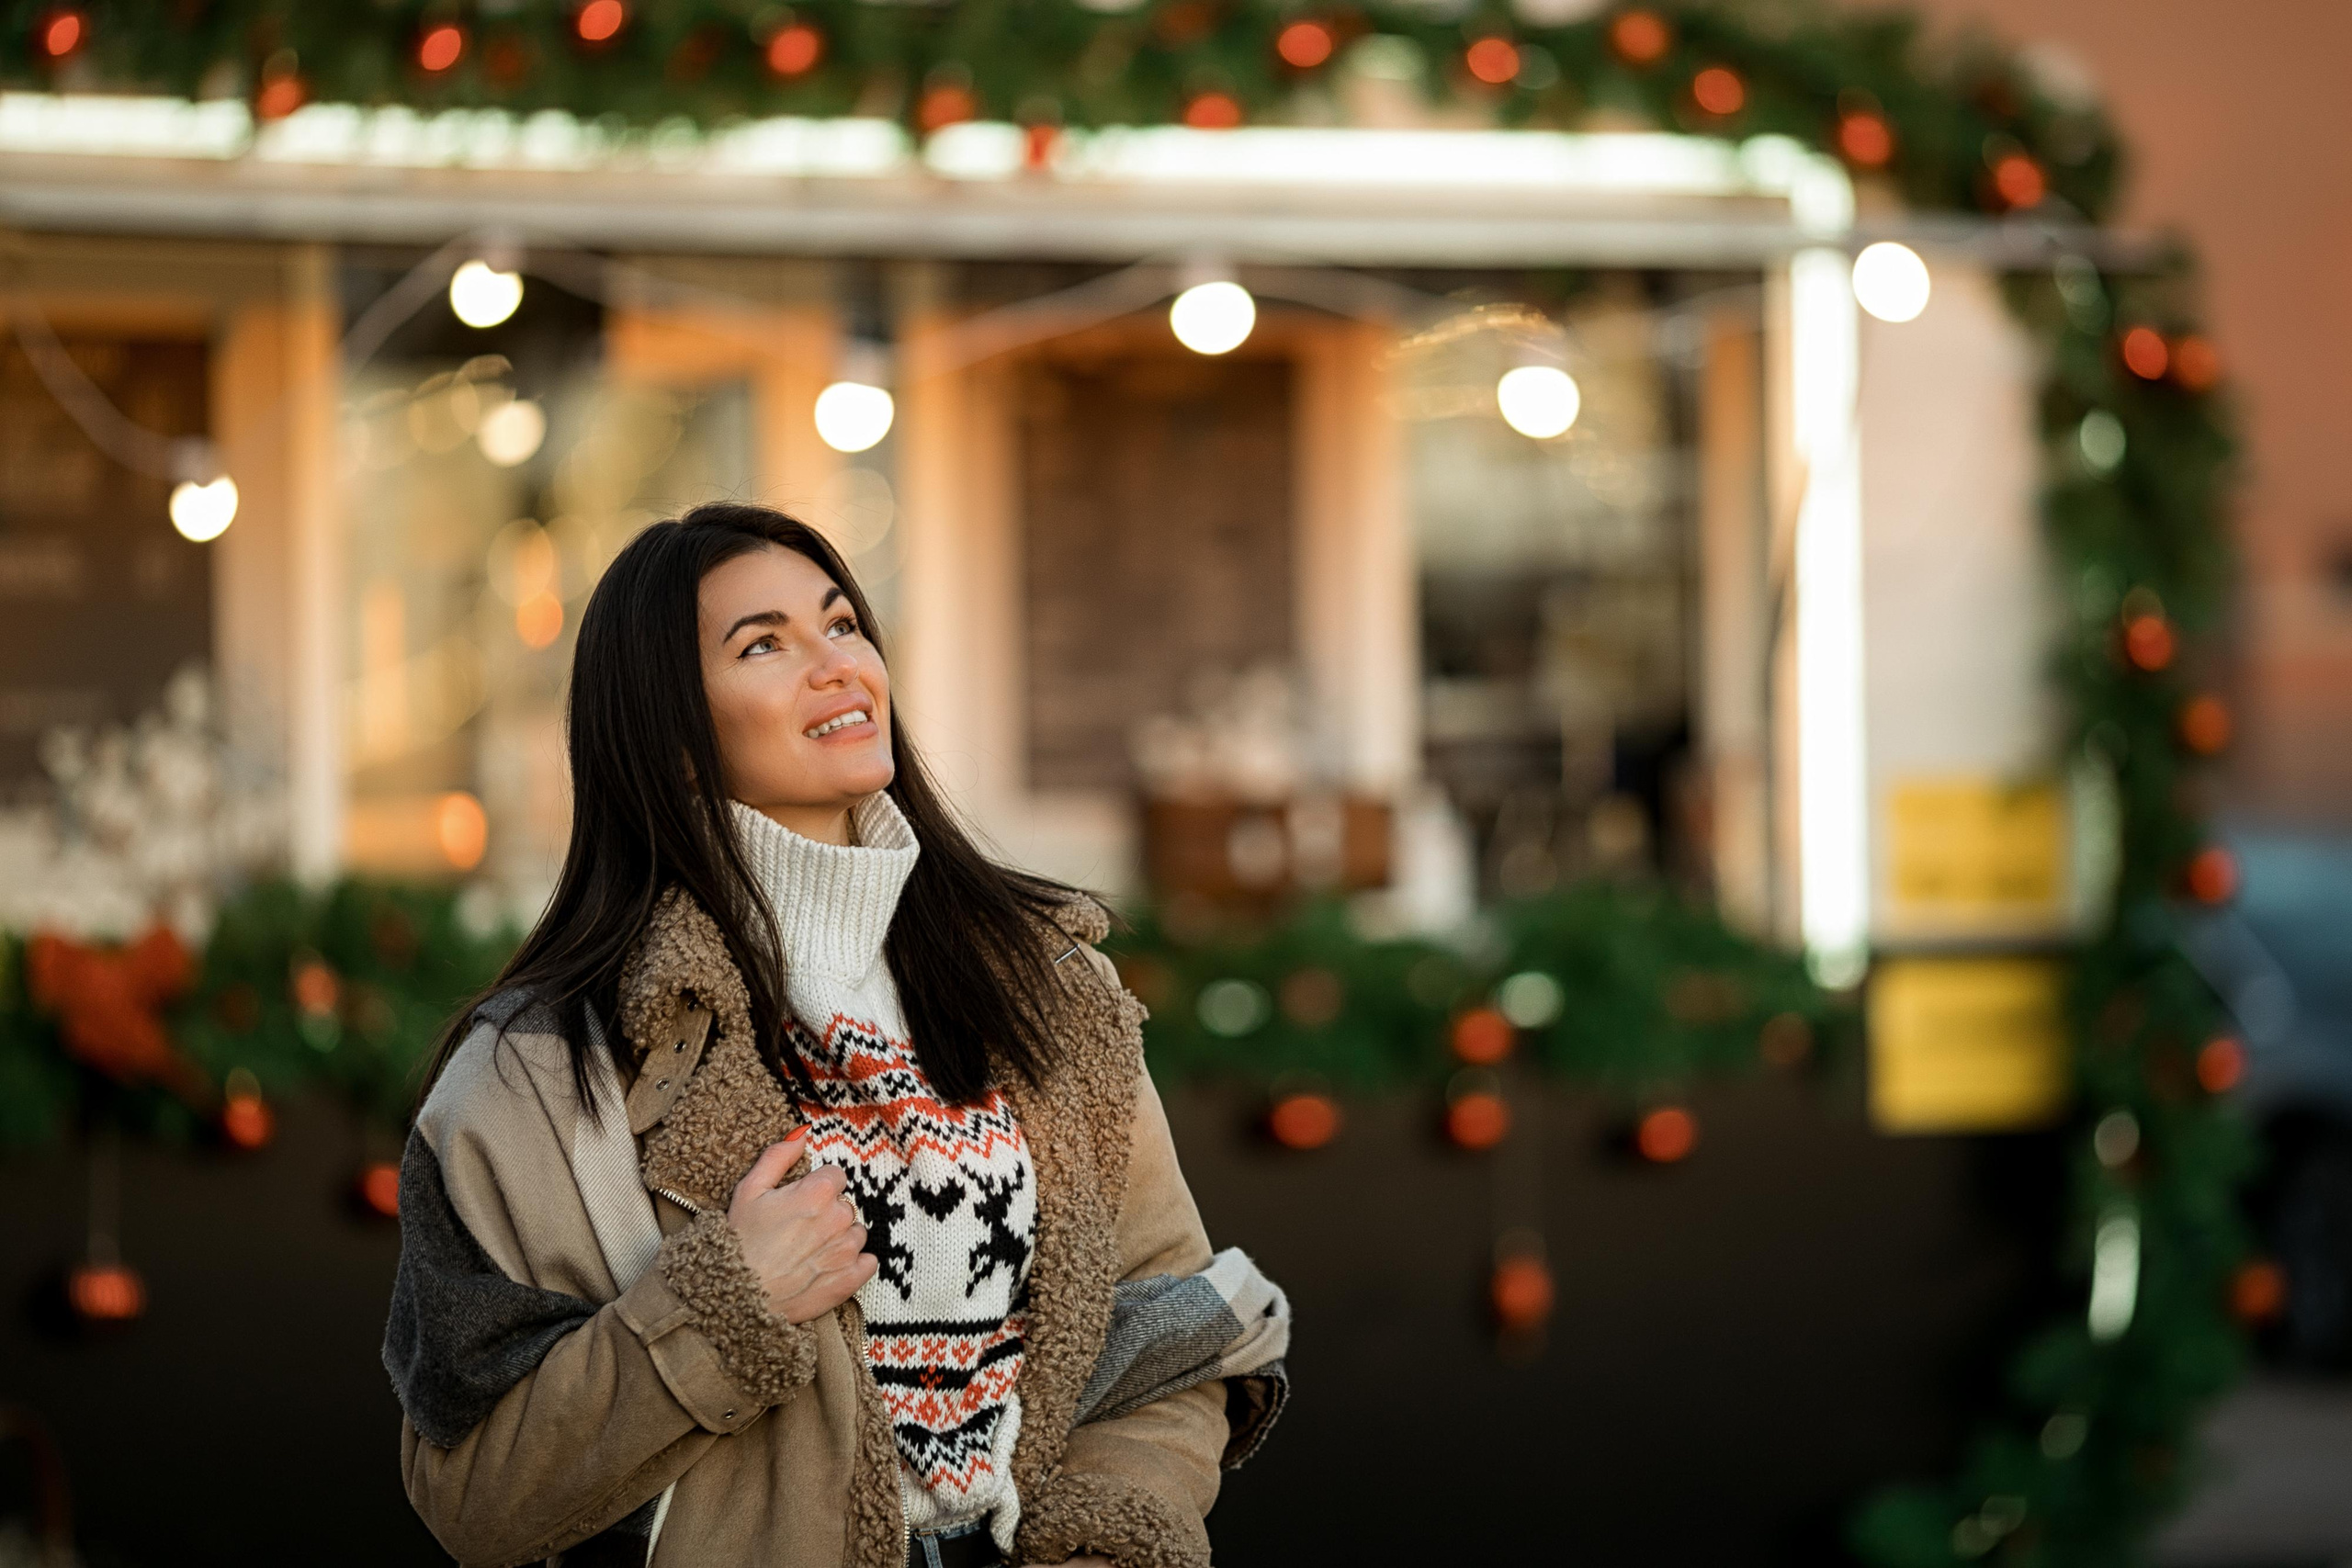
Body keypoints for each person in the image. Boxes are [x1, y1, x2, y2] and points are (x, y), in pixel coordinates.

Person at [383, 502, 1287, 1568]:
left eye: (843, 625)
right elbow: (477, 1494)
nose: (835, 666)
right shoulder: (540, 1071)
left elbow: (1164, 1333)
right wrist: (722, 1311)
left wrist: (1106, 1541)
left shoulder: (1048, 990)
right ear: (670, 736)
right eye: (762, 645)